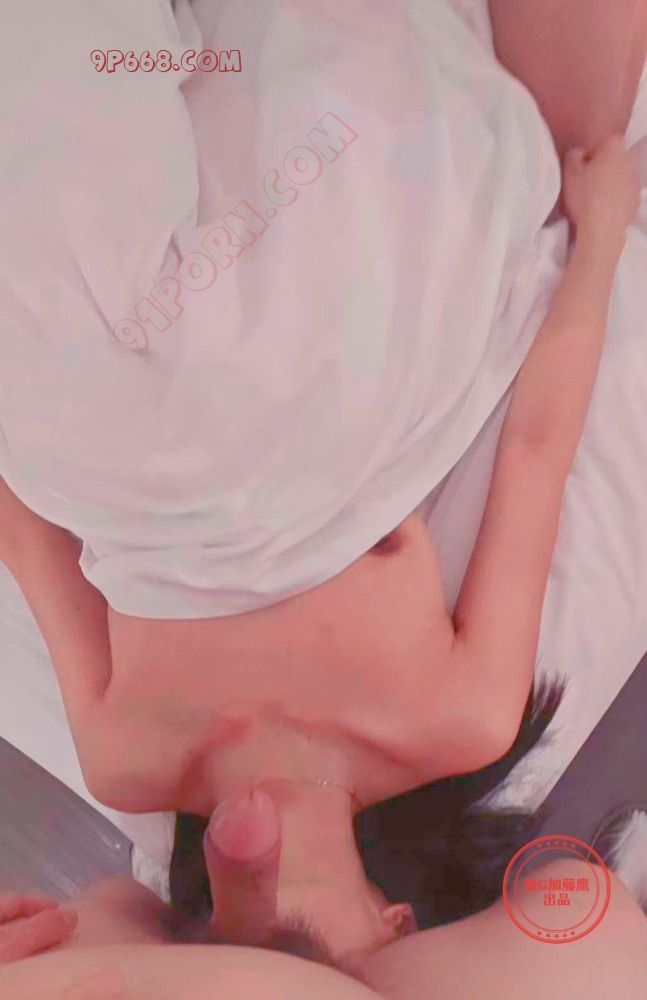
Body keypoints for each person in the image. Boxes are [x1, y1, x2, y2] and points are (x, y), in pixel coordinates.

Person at [1, 0, 646, 970]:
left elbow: (29, 526)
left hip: (110, 412)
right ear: (394, 924)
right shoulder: (453, 718)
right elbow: (533, 451)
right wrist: (596, 244)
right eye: (303, 960)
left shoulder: (127, 761)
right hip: (319, 385)